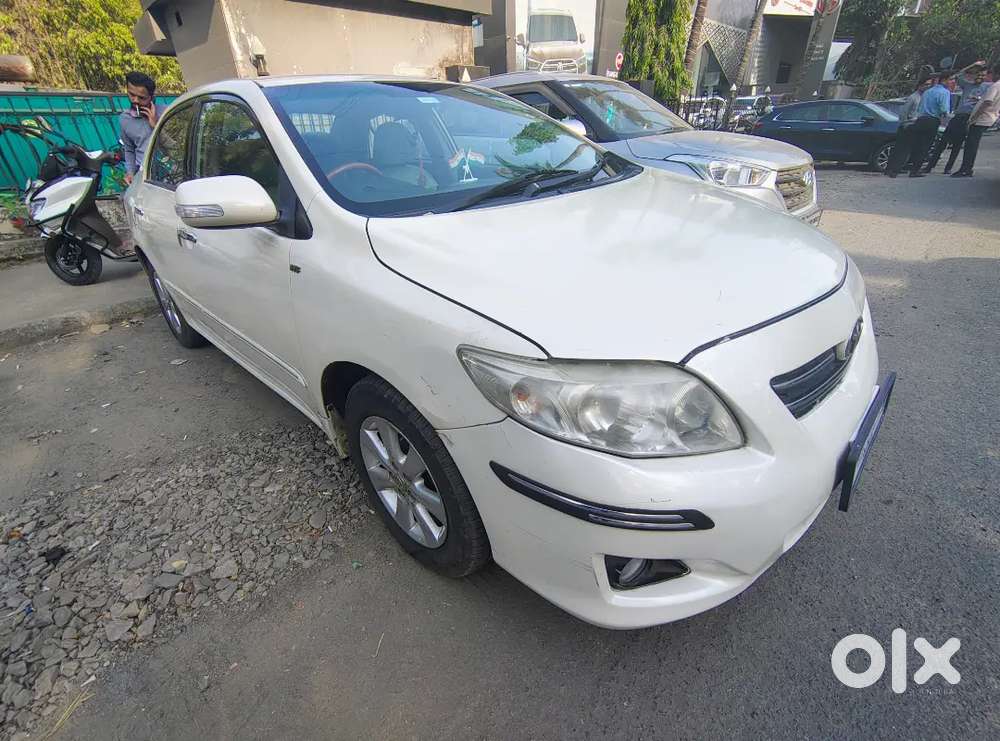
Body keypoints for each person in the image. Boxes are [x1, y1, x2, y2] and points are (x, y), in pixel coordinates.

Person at [924, 62, 989, 173]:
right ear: (974, 74)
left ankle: (948, 168)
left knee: (957, 145)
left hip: (970, 118)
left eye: (983, 75)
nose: (980, 77)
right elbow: (957, 75)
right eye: (978, 74)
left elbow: (988, 101)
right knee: (942, 142)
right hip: (958, 116)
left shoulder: (987, 87)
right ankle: (929, 166)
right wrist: (973, 64)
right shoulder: (967, 84)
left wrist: (978, 99)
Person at [952, 61, 1000, 178]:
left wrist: (974, 118)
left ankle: (966, 169)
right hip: (989, 117)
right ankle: (966, 168)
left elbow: (987, 102)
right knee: (971, 144)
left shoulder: (995, 85)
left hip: (982, 119)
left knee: (971, 145)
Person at [119, 71, 162, 185]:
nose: (135, 100)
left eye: (142, 98)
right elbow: (129, 149)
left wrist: (156, 125)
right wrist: (130, 172)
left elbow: (176, 147)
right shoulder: (125, 119)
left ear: (152, 97)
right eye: (132, 95)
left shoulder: (166, 113)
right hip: (143, 177)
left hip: (167, 177)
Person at [885, 75, 933, 178]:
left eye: (930, 85)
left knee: (914, 149)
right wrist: (905, 124)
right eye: (926, 85)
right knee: (902, 150)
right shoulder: (913, 97)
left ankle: (905, 169)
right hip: (909, 125)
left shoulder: (924, 97)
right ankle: (893, 171)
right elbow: (903, 112)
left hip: (917, 125)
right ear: (920, 85)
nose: (928, 87)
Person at [904, 71, 951, 177]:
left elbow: (920, 106)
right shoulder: (944, 92)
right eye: (951, 80)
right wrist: (947, 116)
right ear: (944, 80)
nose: (952, 83)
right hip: (932, 120)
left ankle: (912, 167)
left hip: (921, 119)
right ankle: (915, 170)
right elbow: (944, 109)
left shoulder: (928, 91)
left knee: (918, 144)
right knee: (925, 146)